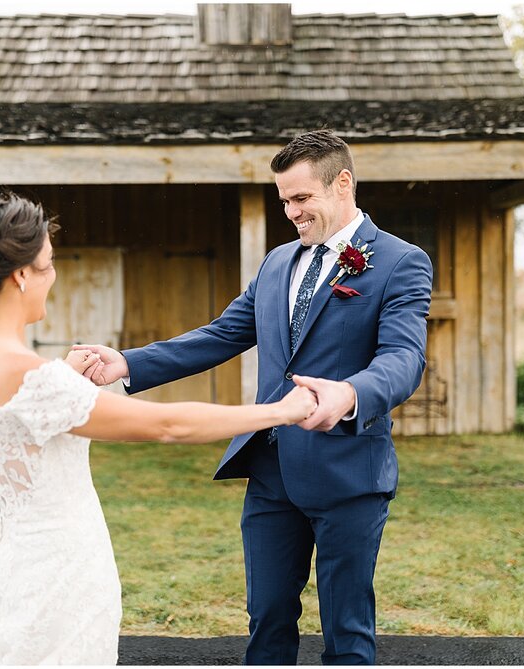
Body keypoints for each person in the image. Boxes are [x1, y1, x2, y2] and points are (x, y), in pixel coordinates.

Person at [76, 130, 433, 665]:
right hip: (270, 472)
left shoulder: (401, 262)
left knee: (347, 630)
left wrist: (351, 393)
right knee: (265, 620)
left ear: (342, 184)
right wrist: (129, 363)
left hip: (348, 473)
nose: (291, 212)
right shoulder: (276, 264)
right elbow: (221, 335)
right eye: (284, 200)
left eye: (301, 198)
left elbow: (404, 359)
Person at [0, 192, 317, 665]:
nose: (54, 277)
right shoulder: (30, 376)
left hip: (3, 568)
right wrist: (281, 411)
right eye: (48, 265)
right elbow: (168, 425)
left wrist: (63, 377)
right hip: (62, 569)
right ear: (22, 275)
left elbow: (13, 424)